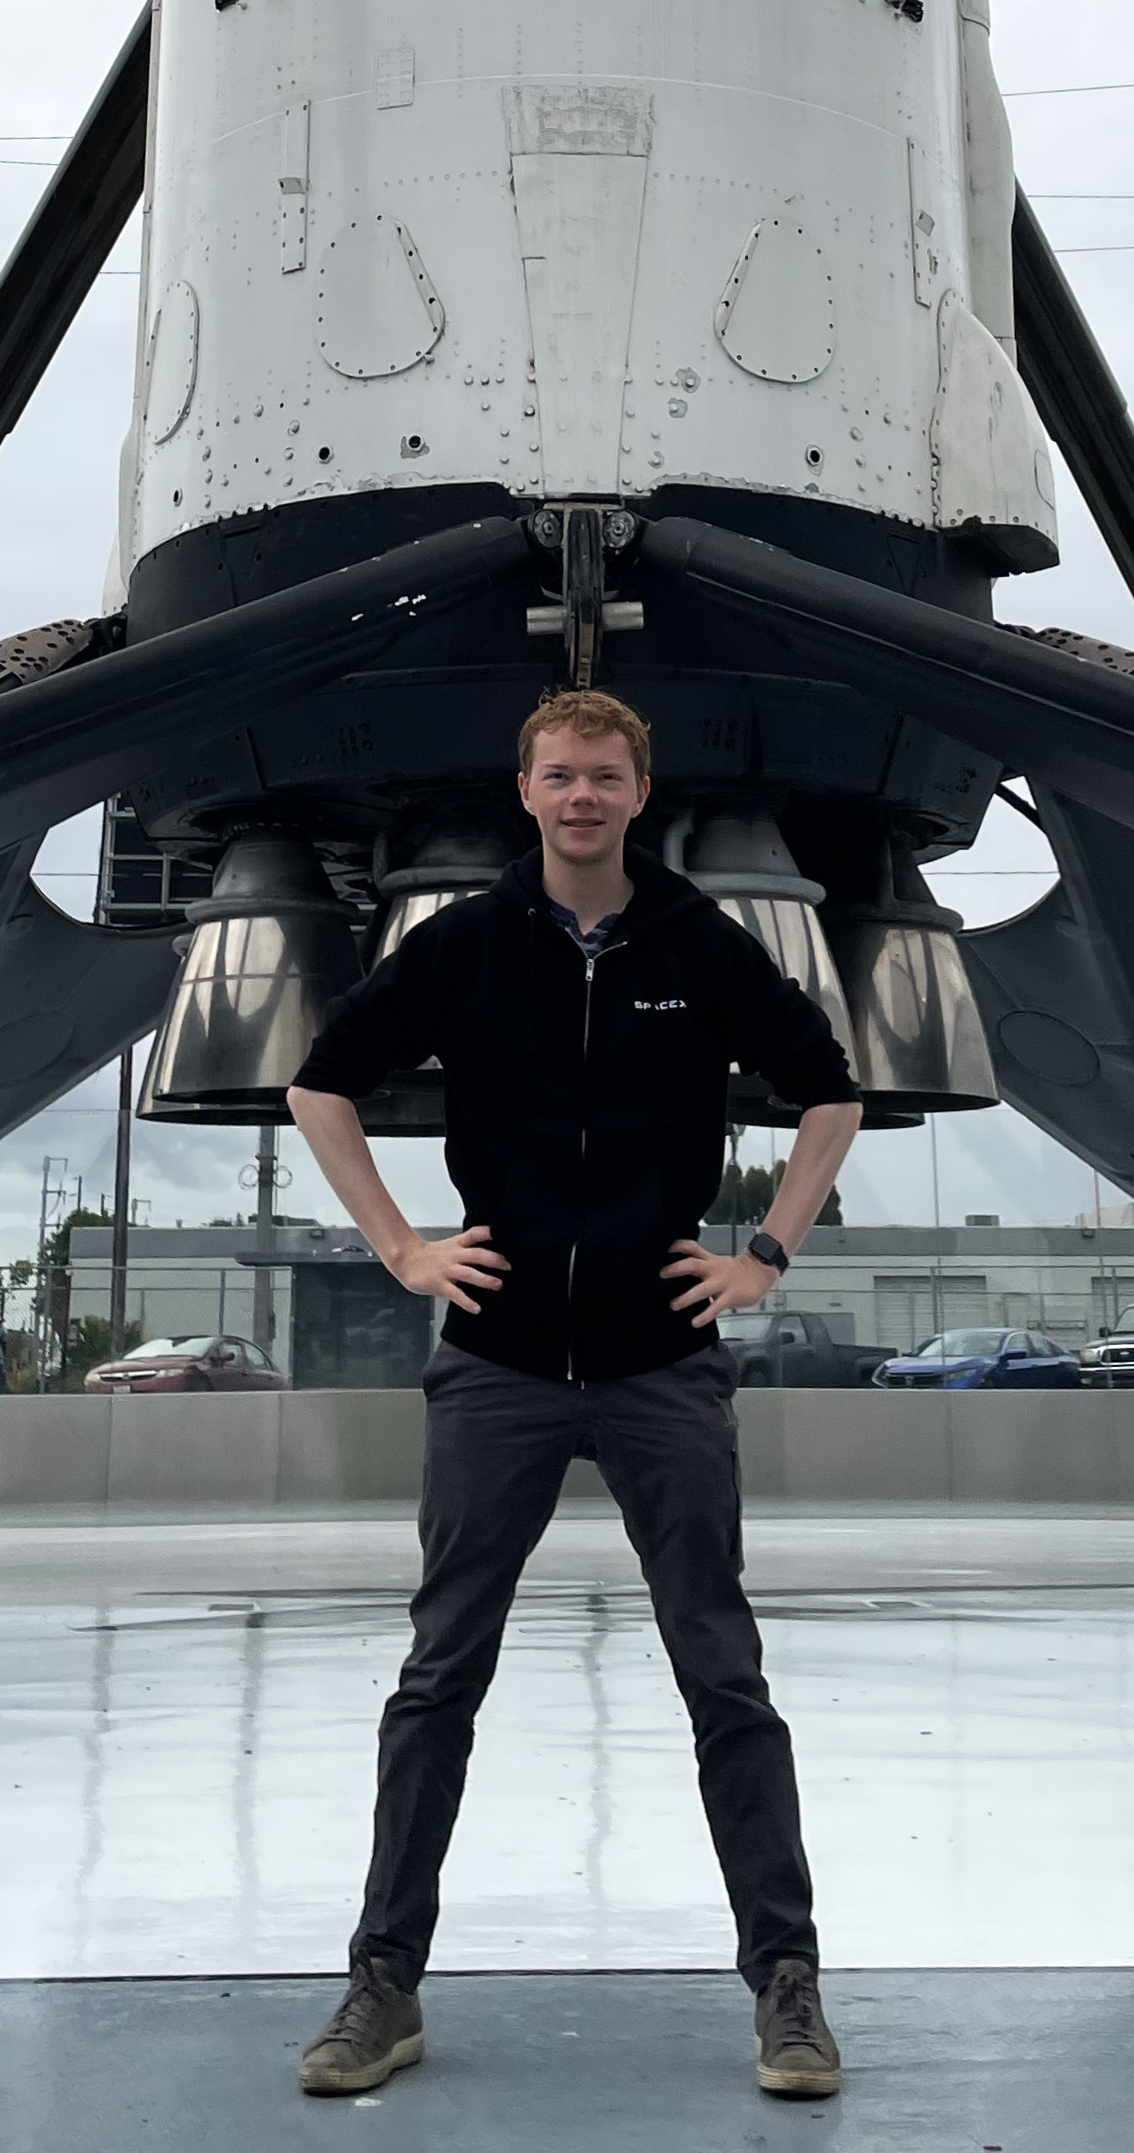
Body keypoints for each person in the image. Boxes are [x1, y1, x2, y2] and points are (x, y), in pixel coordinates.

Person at [283, 687, 864, 2103]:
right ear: (526, 791)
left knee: (722, 1670)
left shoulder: (693, 942)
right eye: (560, 775)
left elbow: (829, 1089)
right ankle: (381, 1983)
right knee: (439, 1676)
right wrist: (401, 1245)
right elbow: (320, 1083)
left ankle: (785, 1986)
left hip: (661, 1359)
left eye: (605, 774)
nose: (583, 795)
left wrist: (766, 1250)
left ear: (638, 790)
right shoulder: (468, 941)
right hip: (494, 1365)